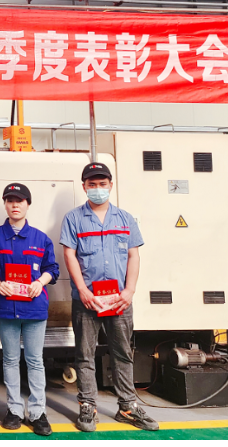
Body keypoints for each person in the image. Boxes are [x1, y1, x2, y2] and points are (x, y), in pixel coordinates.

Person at [59, 162, 159, 433]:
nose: (97, 189)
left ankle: (127, 406)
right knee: (84, 354)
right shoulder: (73, 219)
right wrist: (83, 290)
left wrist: (129, 291)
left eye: (102, 184)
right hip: (87, 300)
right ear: (84, 187)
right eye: (92, 184)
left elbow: (133, 255)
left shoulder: (125, 219)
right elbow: (69, 255)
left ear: (111, 185)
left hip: (119, 300)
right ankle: (87, 405)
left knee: (122, 353)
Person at [0, 183, 59, 436]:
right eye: (10, 200)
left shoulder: (40, 238)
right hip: (6, 307)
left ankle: (37, 413)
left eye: (20, 200)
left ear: (28, 204)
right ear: (5, 204)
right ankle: (14, 410)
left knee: (35, 360)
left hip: (34, 309)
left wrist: (40, 283)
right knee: (10, 359)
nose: (15, 205)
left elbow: (52, 269)